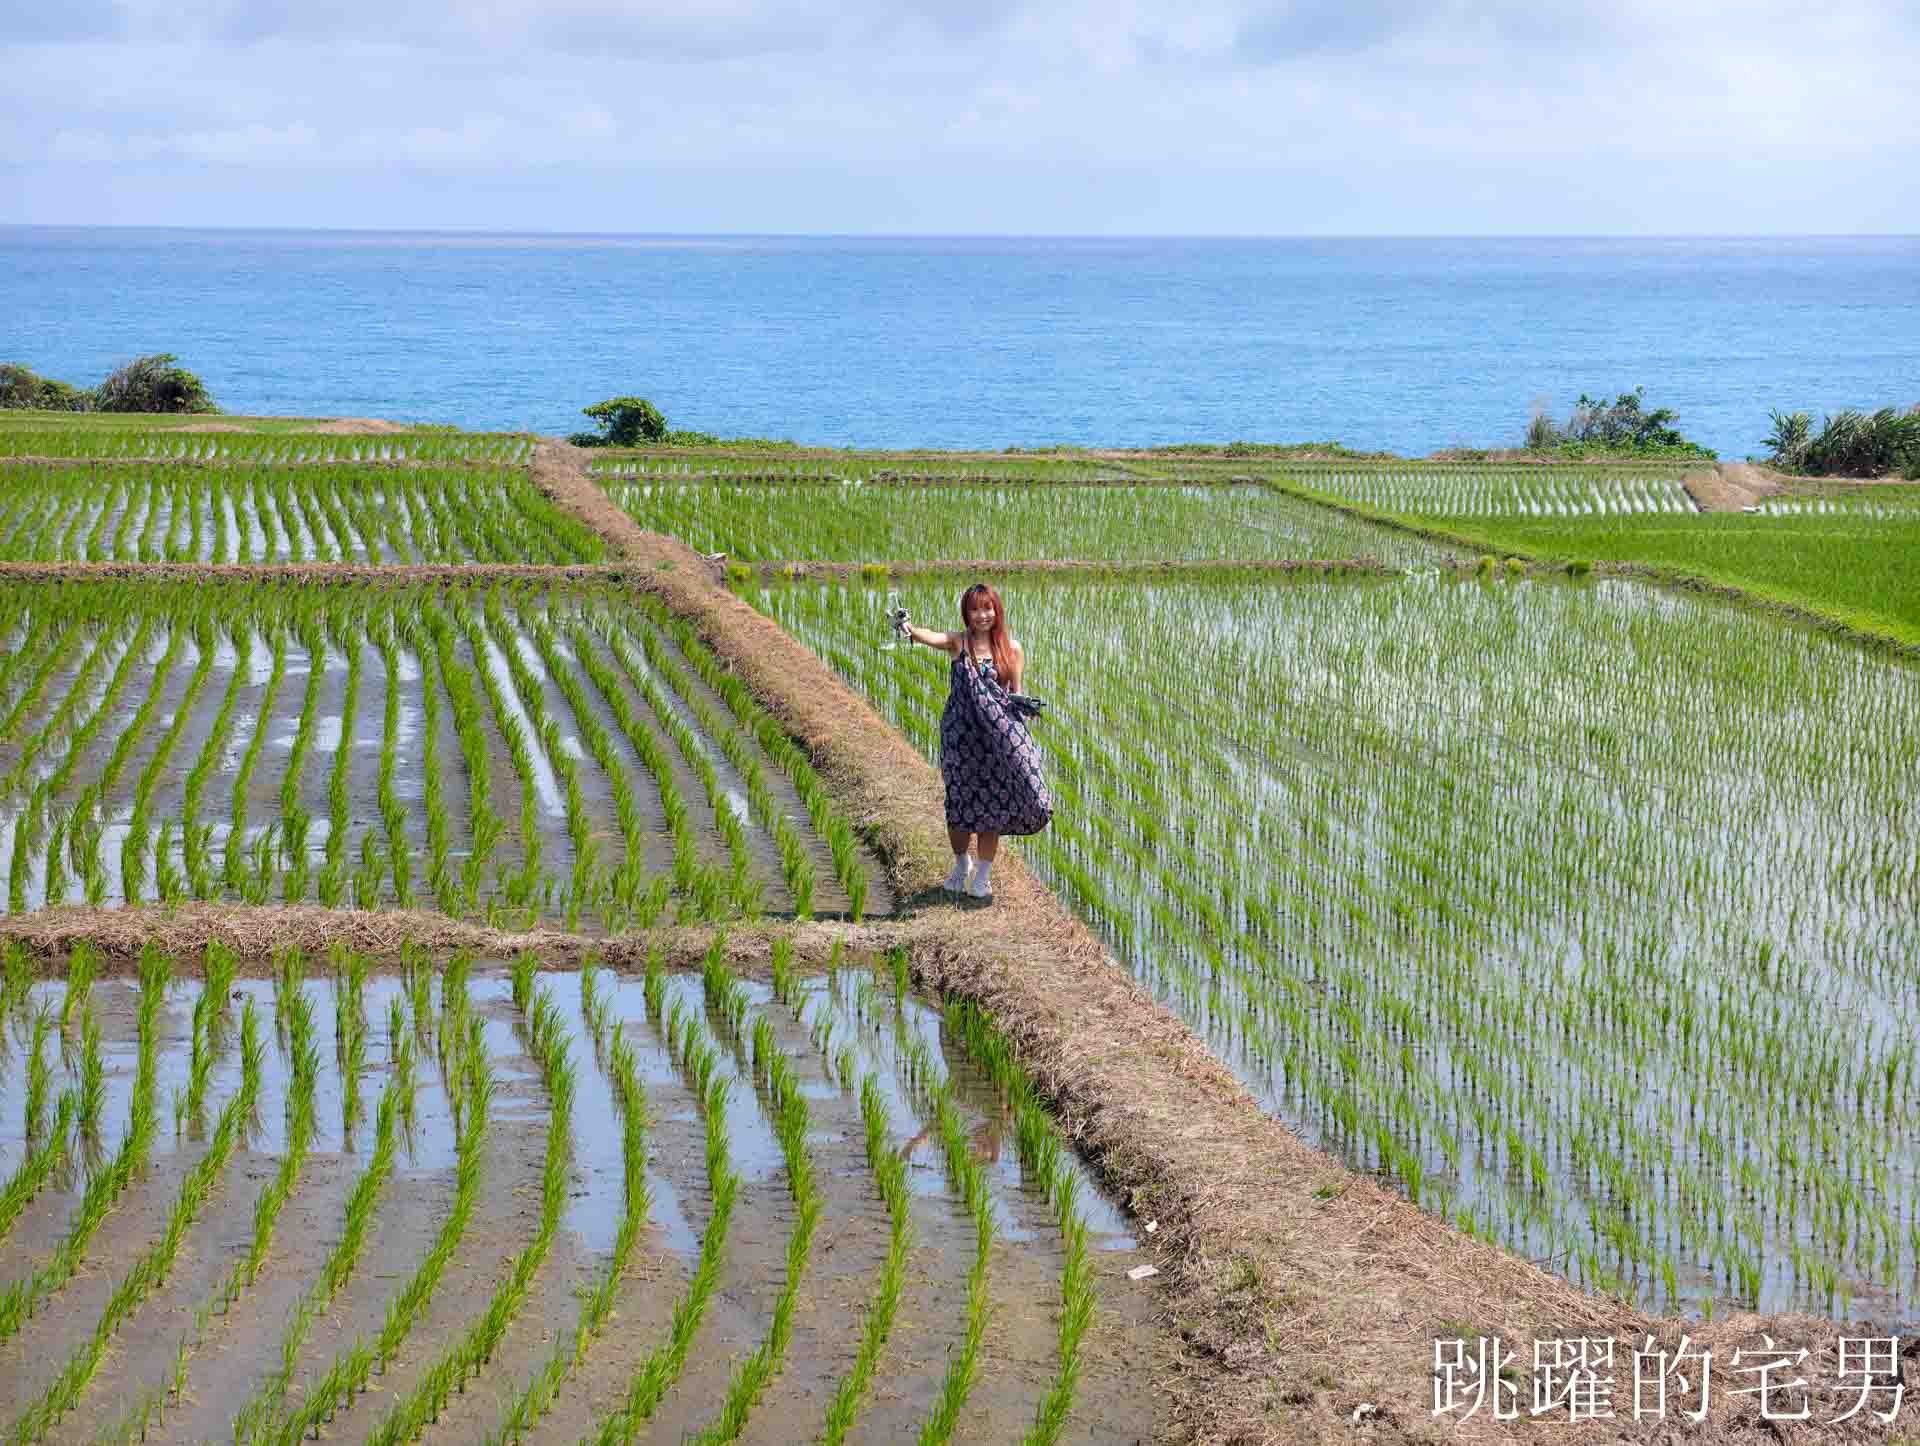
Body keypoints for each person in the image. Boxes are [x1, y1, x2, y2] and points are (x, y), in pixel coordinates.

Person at [893, 582, 1052, 901]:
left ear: (997, 611)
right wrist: (908, 627)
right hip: (961, 738)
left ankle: (982, 877)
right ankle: (961, 864)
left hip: (996, 742)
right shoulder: (958, 643)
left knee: (992, 809)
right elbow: (930, 636)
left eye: (987, 608)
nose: (982, 615)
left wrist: (1027, 709)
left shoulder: (1013, 649)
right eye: (975, 609)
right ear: (966, 613)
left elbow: (1014, 694)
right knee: (959, 805)